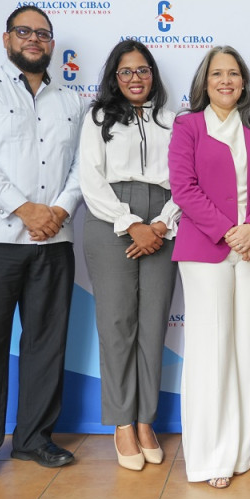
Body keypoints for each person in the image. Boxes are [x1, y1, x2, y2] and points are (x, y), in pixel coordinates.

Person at [0, 5, 86, 484]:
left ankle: (33, 439)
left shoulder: (71, 101)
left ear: (51, 44)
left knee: (46, 345)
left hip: (56, 241)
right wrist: (25, 209)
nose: (34, 40)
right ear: (6, 38)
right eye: (24, 32)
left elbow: (82, 169)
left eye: (42, 34)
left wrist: (60, 211)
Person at [168, 46, 250, 489]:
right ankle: (210, 456)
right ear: (205, 81)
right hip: (206, 249)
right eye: (217, 73)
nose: (226, 81)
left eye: (233, 73)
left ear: (243, 81)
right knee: (211, 350)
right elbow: (184, 186)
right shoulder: (187, 125)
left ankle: (241, 449)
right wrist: (229, 230)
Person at [79, 40, 178, 471]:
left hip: (164, 223)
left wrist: (161, 223)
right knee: (117, 324)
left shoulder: (174, 121)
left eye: (142, 70)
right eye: (126, 72)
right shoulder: (98, 118)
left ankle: (144, 420)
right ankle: (121, 423)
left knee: (152, 325)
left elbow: (185, 182)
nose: (135, 78)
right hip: (110, 221)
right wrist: (130, 222)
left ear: (152, 75)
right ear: (114, 78)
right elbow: (91, 180)